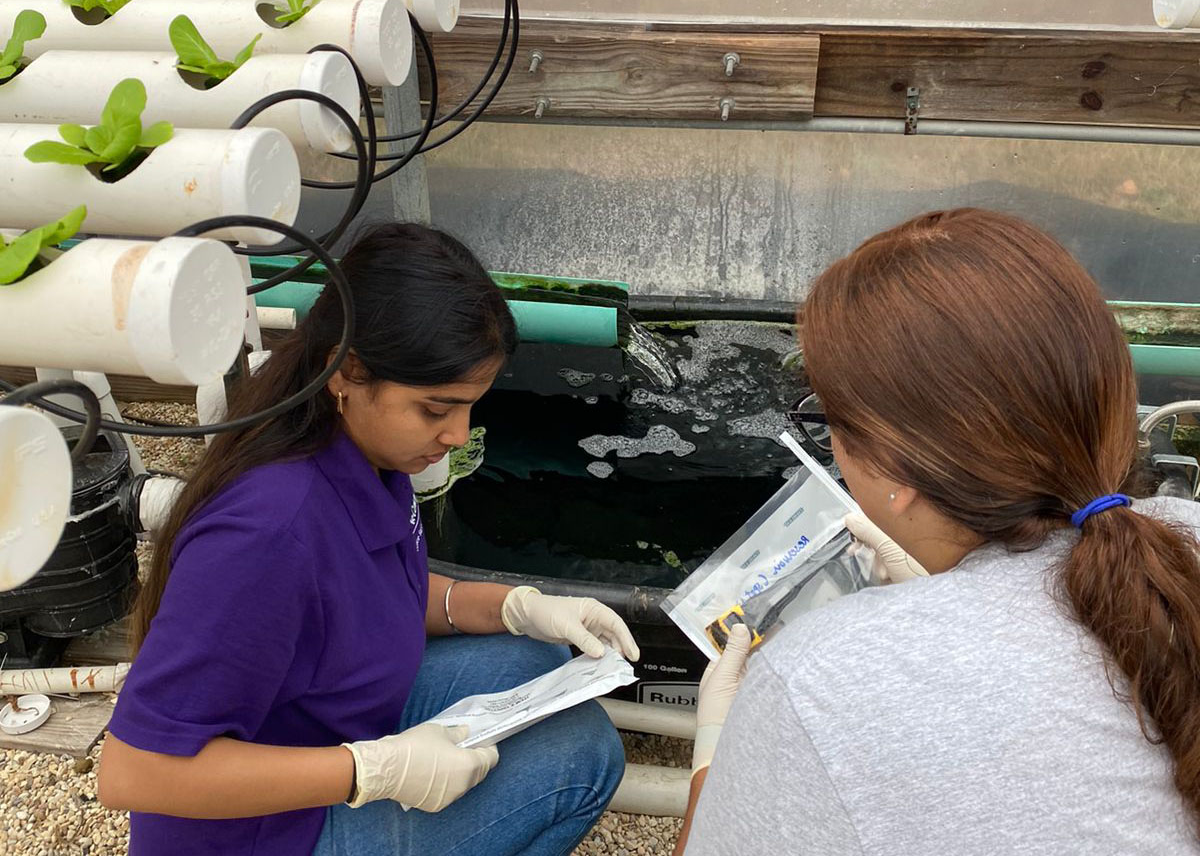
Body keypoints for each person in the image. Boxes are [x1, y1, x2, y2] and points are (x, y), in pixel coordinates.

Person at [98, 223, 638, 856]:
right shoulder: (266, 535)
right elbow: (134, 772)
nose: (458, 436)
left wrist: (511, 605)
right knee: (584, 756)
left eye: (471, 407)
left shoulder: (362, 450)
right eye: (437, 409)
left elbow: (369, 591)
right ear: (348, 372)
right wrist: (369, 772)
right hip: (265, 832)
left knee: (537, 658)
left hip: (325, 733)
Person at [676, 209, 1200, 855]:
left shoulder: (817, 683)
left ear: (895, 469)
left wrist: (720, 747)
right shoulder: (1178, 539)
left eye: (827, 418)